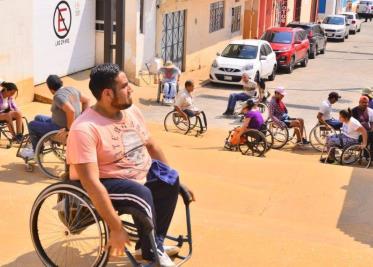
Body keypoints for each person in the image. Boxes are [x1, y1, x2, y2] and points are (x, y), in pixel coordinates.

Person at [66, 63, 194, 267]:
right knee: (140, 193)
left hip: (137, 173)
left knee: (169, 178)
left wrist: (175, 180)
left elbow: (152, 146)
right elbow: (90, 182)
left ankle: (152, 245)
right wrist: (115, 227)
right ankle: (153, 249)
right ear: (108, 94)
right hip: (106, 180)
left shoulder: (132, 111)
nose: (131, 89)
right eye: (125, 86)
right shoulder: (84, 128)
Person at [21, 75, 89, 158]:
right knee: (38, 117)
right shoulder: (72, 89)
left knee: (31, 125)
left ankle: (37, 152)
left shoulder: (58, 96)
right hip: (60, 122)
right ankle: (41, 143)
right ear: (61, 82)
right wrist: (82, 118)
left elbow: (71, 111)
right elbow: (87, 100)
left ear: (50, 89)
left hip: (60, 127)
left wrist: (69, 129)